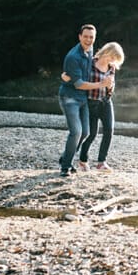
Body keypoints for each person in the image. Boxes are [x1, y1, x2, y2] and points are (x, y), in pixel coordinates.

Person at [58, 24, 113, 177]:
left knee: (86, 133)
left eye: (91, 37)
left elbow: (99, 66)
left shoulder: (90, 52)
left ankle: (65, 158)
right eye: (86, 36)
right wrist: (101, 84)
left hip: (83, 98)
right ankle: (65, 167)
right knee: (76, 132)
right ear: (79, 37)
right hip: (70, 98)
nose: (89, 40)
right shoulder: (73, 56)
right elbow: (79, 84)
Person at [75, 41, 124, 172]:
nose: (114, 61)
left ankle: (101, 162)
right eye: (113, 57)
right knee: (91, 134)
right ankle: (82, 160)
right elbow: (81, 83)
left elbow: (111, 86)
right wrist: (101, 83)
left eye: (116, 59)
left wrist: (110, 86)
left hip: (106, 101)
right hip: (90, 103)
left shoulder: (111, 67)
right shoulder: (90, 63)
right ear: (107, 52)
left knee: (109, 130)